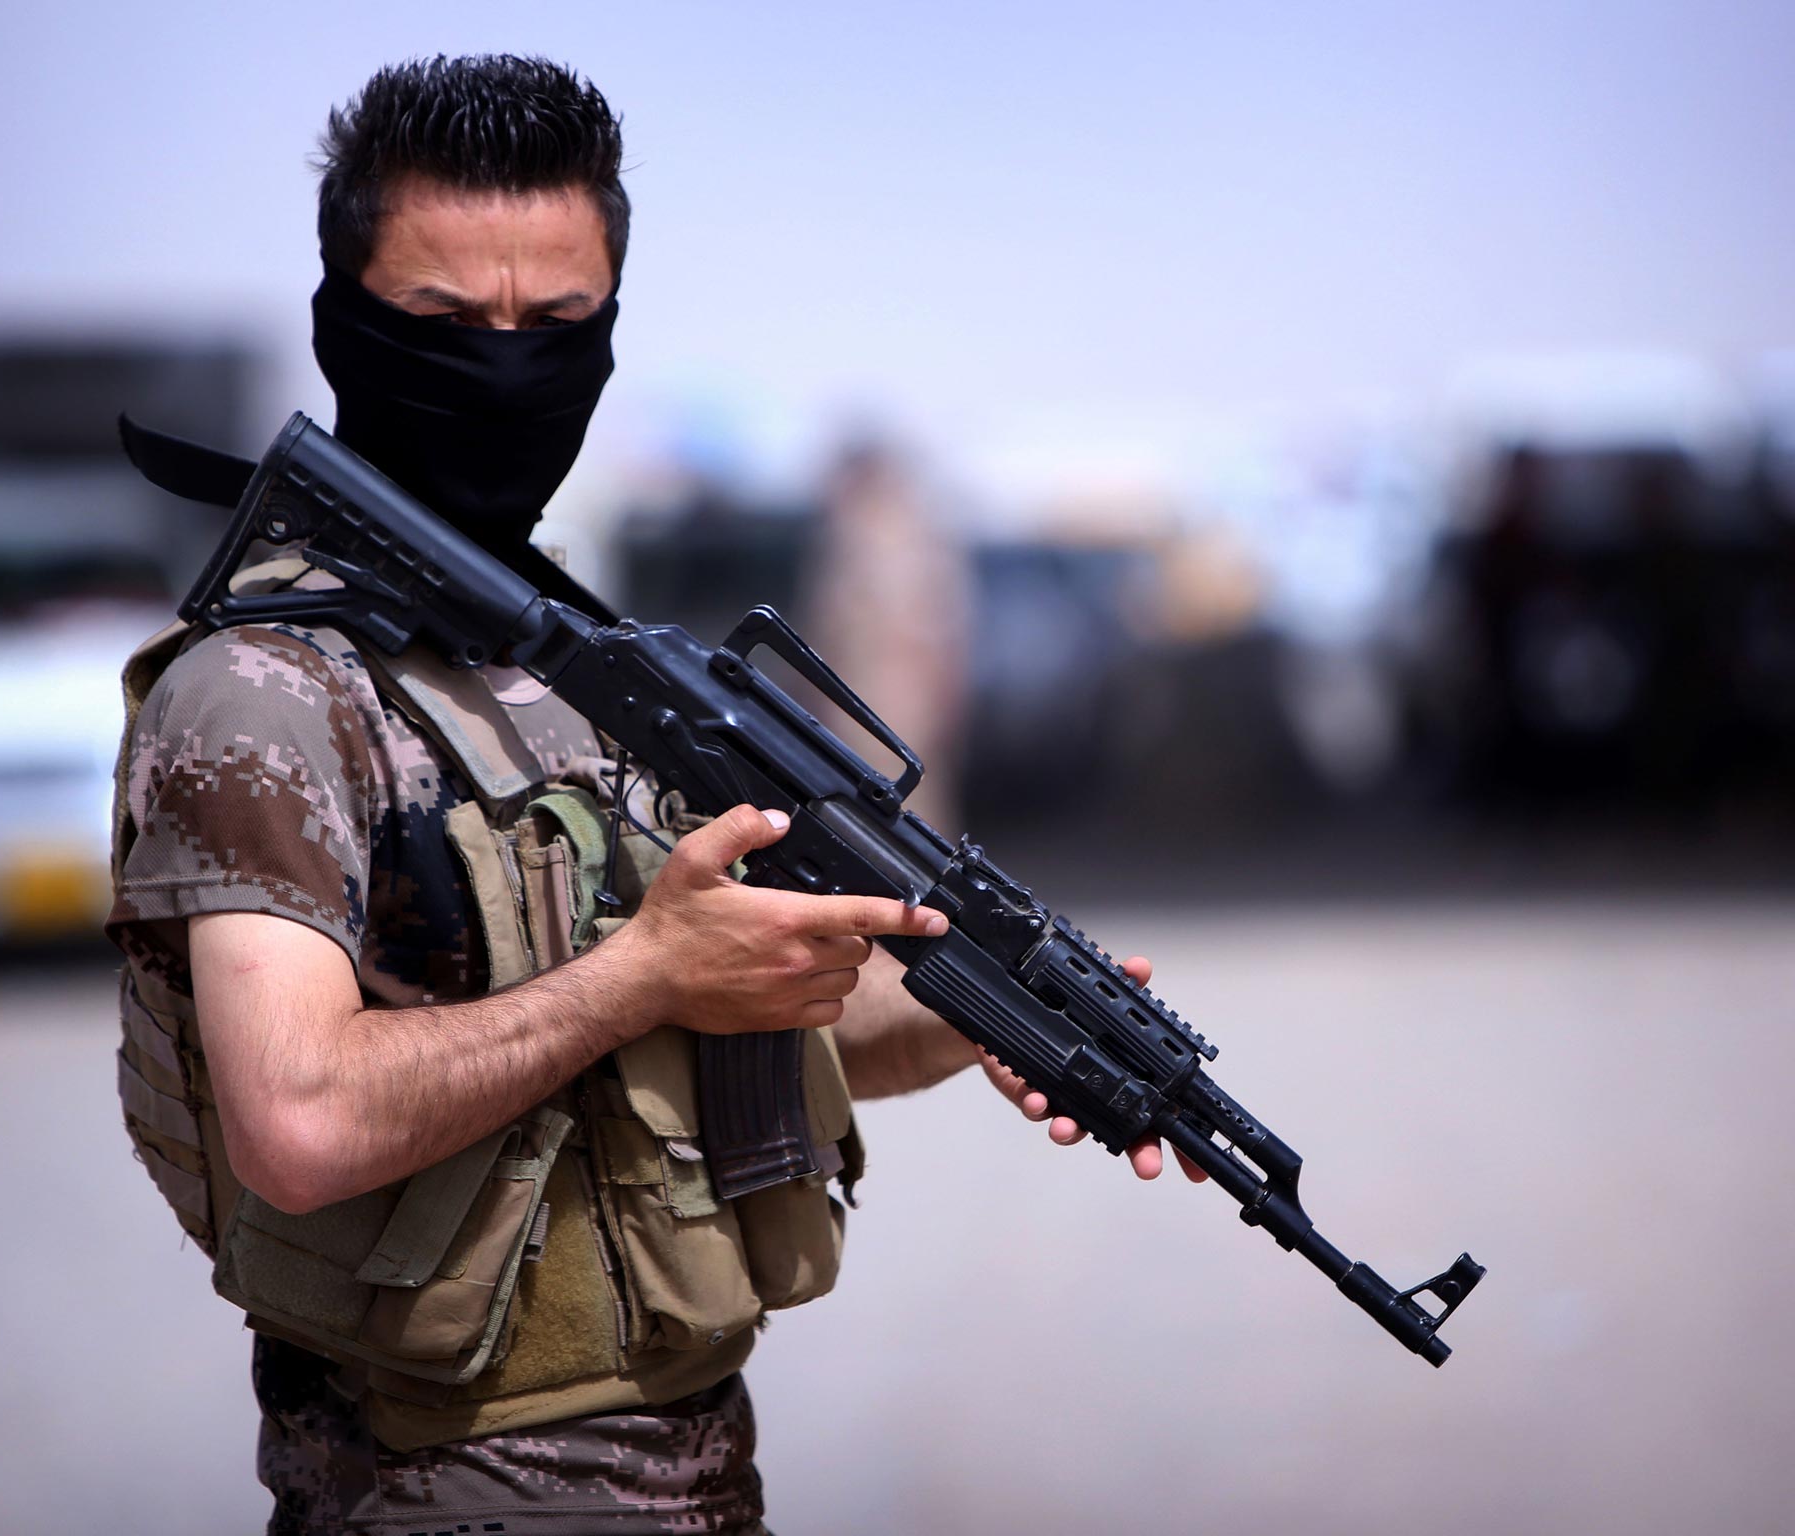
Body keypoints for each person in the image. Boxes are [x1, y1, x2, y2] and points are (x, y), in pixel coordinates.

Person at [107, 55, 1200, 1536]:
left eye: (555, 326)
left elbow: (716, 1021)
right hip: (440, 1492)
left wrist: (972, 1006)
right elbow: (297, 1122)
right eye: (443, 323)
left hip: (689, 1476)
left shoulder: (561, 661)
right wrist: (639, 976)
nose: (504, 367)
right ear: (341, 329)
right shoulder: (267, 694)